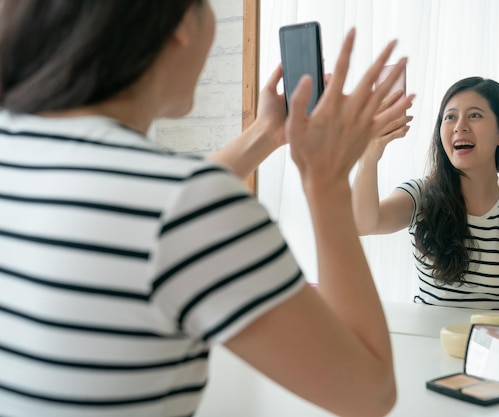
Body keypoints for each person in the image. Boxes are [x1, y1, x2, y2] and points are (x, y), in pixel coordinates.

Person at [0, 1, 414, 416]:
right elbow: (369, 395)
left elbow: (160, 208)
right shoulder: (182, 204)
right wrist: (326, 182)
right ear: (182, 24)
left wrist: (268, 134)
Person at [353, 76, 499, 310]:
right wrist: (370, 154)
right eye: (450, 117)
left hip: (495, 344)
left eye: (475, 115)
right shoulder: (420, 194)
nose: (460, 126)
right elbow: (363, 224)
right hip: (428, 341)